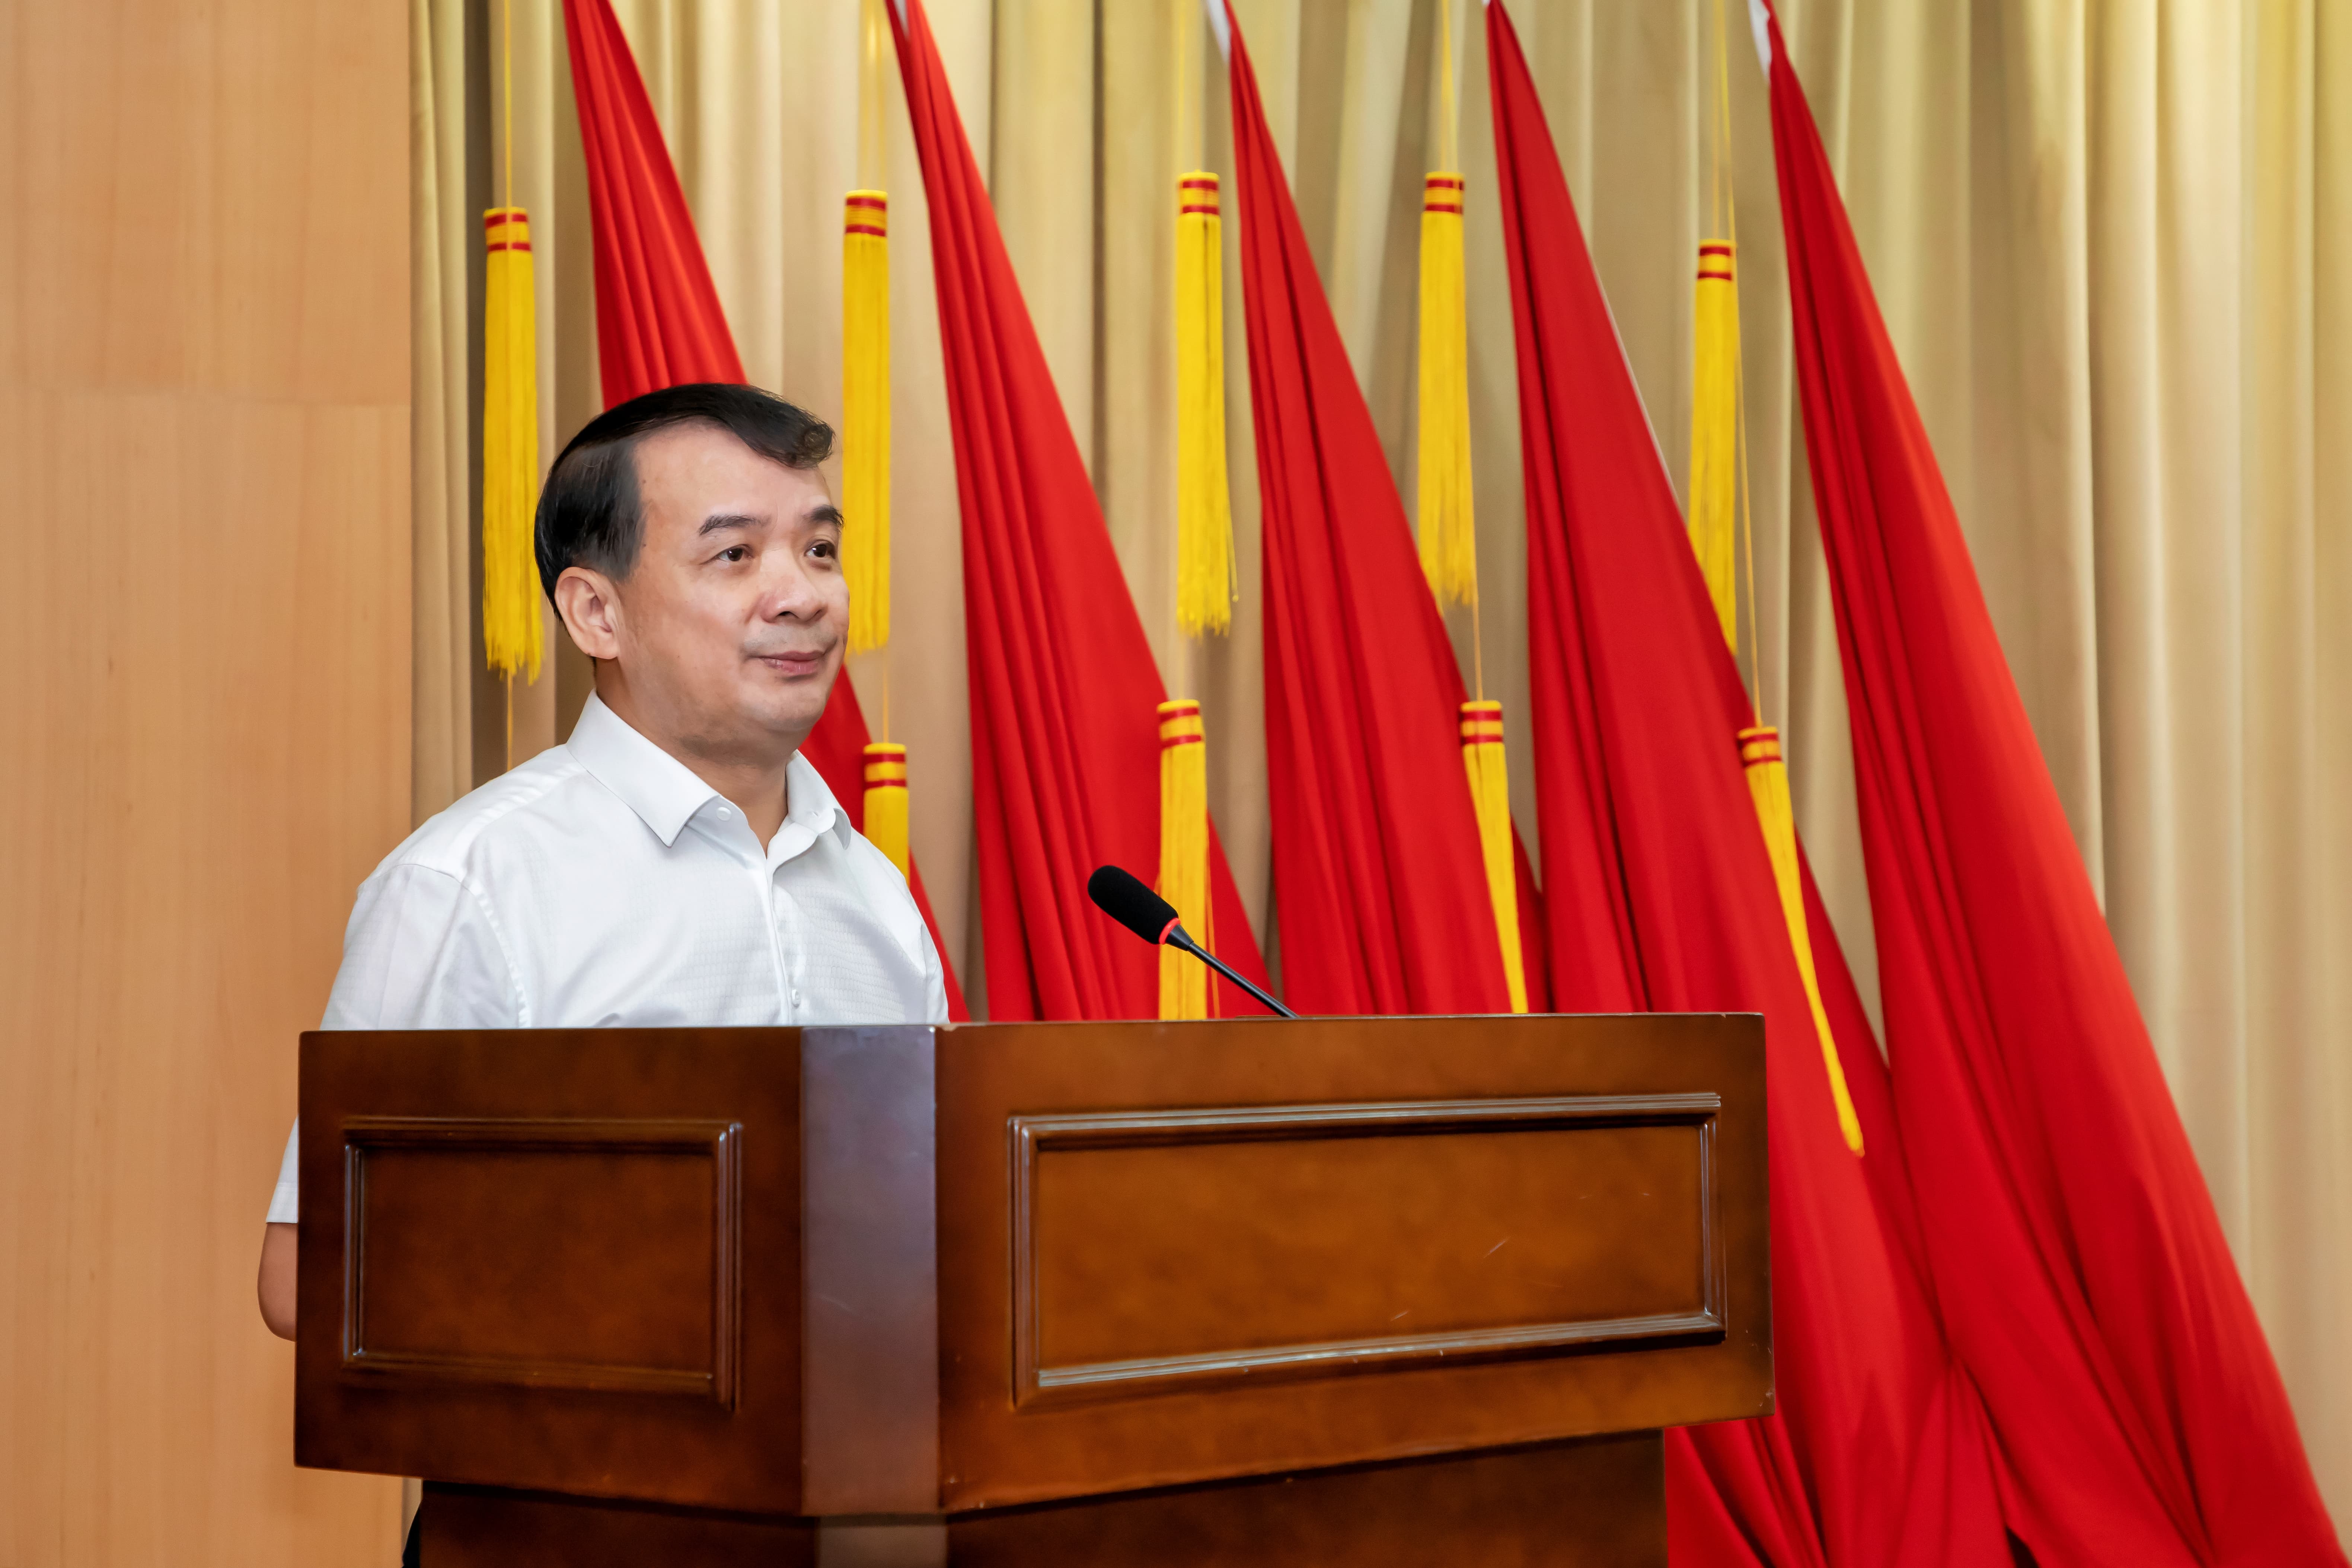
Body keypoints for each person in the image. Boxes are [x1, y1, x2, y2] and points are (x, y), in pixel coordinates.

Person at [255, 382, 947, 1338]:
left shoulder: (875, 894)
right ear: (596, 613)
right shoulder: (471, 885)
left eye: (819, 550)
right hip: (574, 1434)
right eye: (736, 554)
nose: (802, 595)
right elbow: (315, 1277)